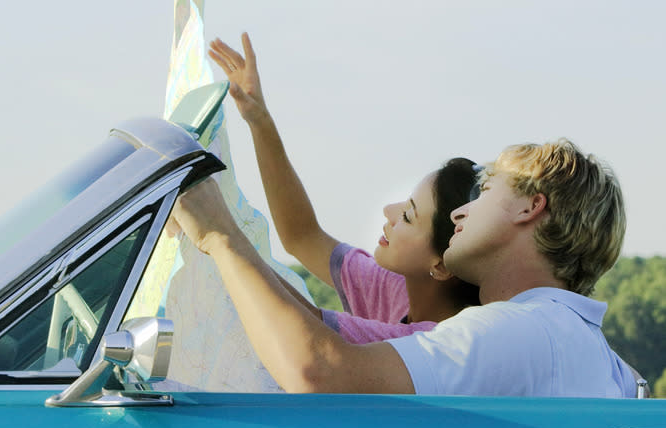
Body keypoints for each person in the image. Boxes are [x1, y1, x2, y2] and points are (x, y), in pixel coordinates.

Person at [169, 37, 636, 397]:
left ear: (530, 208)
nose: (461, 211)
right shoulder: (581, 347)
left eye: (488, 191)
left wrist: (220, 235)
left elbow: (318, 368)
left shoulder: (520, 332)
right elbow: (303, 237)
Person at [207, 34, 479, 344]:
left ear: (442, 265)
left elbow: (303, 331)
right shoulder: (396, 289)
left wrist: (218, 234)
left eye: (408, 216)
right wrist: (258, 120)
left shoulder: (442, 344)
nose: (389, 211)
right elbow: (302, 236)